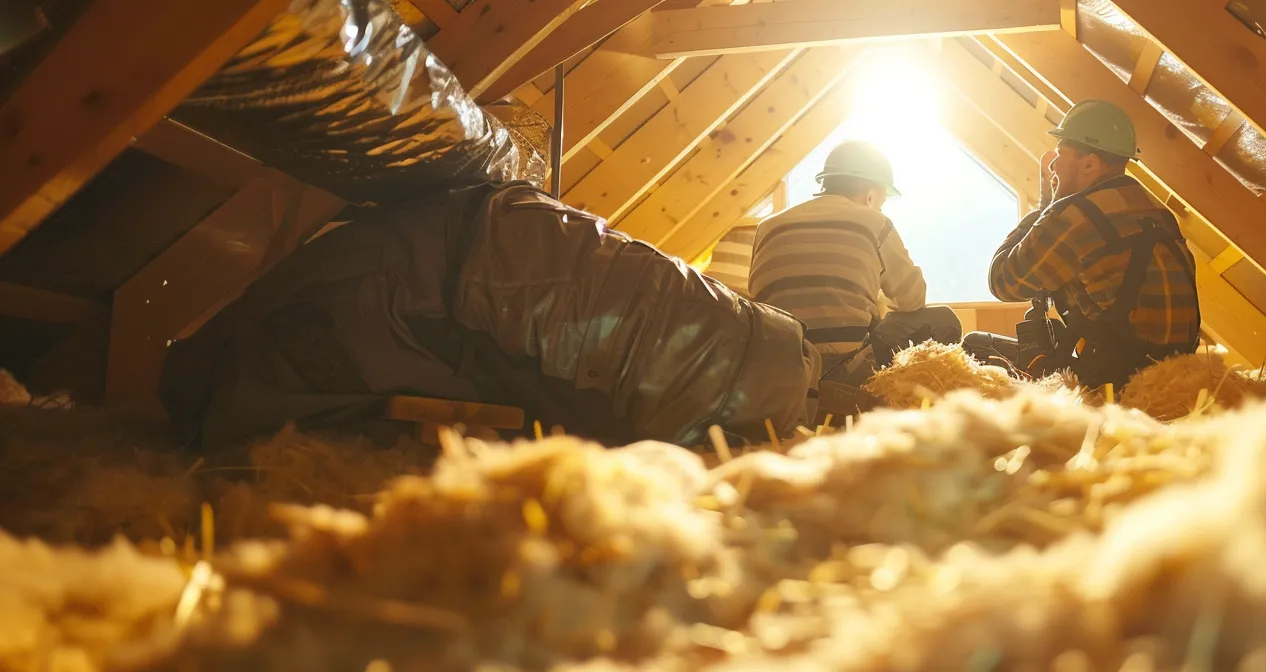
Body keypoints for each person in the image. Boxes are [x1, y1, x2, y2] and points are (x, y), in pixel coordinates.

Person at [161, 181, 822, 454]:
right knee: (660, 362)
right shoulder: (276, 344)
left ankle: (768, 375)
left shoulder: (272, 337)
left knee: (660, 350)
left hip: (467, 257)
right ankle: (770, 375)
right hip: (450, 270)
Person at [984, 99, 1202, 391]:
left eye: (1060, 153)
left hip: (1117, 382)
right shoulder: (1156, 210)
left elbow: (1003, 281)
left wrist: (1044, 206)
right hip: (1169, 376)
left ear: (1089, 163)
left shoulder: (1077, 216)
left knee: (976, 347)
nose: (1052, 165)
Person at [749, 140, 961, 387]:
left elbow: (759, 296)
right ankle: (885, 399)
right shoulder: (875, 223)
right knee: (942, 319)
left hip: (780, 366)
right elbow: (912, 299)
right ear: (871, 195)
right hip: (847, 366)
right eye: (881, 202)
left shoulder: (768, 227)